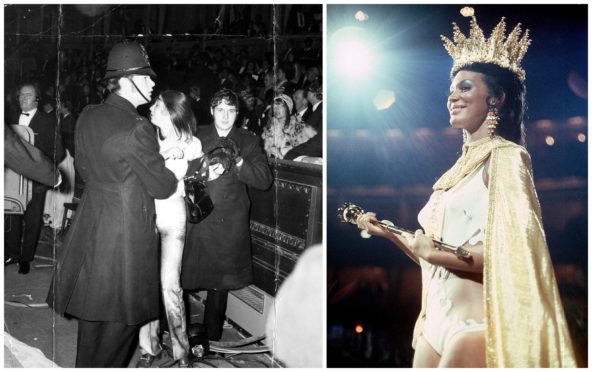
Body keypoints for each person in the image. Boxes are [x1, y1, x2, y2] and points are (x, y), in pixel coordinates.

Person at [355, 9, 576, 368]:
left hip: (474, 324)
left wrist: (432, 253)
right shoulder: (452, 174)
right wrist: (388, 234)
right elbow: (433, 255)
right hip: (434, 324)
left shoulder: (506, 157)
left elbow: (508, 252)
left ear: (496, 98)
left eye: (465, 87)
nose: (452, 96)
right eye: (451, 89)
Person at [46, 41, 178, 368]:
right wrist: (171, 165)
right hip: (127, 235)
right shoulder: (138, 128)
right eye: (145, 77)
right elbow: (162, 186)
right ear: (125, 81)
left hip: (93, 223)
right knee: (123, 322)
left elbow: (86, 170)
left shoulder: (88, 115)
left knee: (93, 314)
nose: (152, 83)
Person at [182, 88, 273, 342]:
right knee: (183, 276)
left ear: (237, 113)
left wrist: (240, 162)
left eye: (231, 111)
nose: (225, 116)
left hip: (228, 223)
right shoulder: (196, 134)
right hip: (198, 217)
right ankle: (178, 334)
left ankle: (212, 340)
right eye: (220, 110)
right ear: (211, 111)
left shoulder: (248, 140)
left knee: (218, 285)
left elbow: (264, 180)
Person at [136, 91, 203, 368]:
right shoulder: (147, 138)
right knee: (145, 283)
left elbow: (177, 177)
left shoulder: (191, 143)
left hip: (172, 215)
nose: (152, 108)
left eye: (159, 106)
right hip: (145, 213)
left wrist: (170, 158)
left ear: (173, 111)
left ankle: (181, 352)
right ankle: (149, 347)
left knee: (170, 285)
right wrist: (164, 155)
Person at [4, 82, 66, 274]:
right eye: (21, 95)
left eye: (28, 95)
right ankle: (12, 254)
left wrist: (43, 171)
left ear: (37, 98)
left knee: (33, 220)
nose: (23, 99)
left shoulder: (47, 122)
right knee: (12, 218)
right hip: (13, 180)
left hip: (36, 182)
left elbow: (59, 152)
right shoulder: (11, 118)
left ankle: (26, 258)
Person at [261, 94, 316, 159]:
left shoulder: (299, 128)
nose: (277, 109)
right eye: (275, 107)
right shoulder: (269, 127)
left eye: (281, 106)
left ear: (288, 109)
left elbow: (305, 153)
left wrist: (280, 153)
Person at [284, 82, 322, 163]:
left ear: (305, 101)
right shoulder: (290, 116)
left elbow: (316, 143)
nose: (292, 100)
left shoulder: (316, 113)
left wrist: (292, 153)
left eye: (296, 98)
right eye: (292, 97)